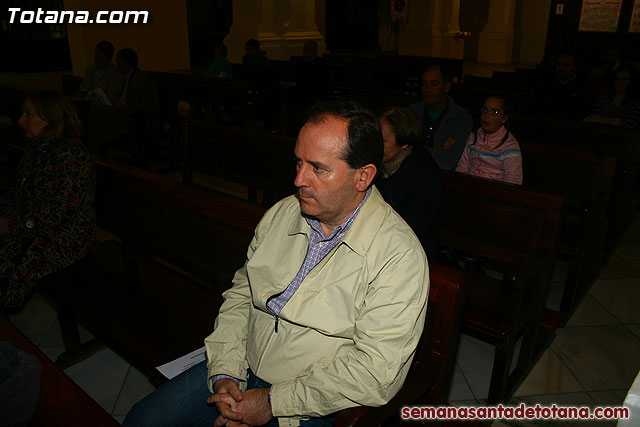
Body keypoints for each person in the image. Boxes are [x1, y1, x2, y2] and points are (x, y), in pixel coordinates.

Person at [123, 100, 429, 426]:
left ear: (363, 176)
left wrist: (272, 402)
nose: (299, 179)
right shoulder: (284, 213)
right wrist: (225, 372)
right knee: (142, 420)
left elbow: (373, 371)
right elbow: (242, 293)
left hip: (310, 395)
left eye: (318, 168)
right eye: (298, 162)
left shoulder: (398, 257)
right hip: (243, 363)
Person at [0, 90, 96, 309]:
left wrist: (10, 224)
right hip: (36, 223)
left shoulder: (72, 156)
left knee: (11, 256)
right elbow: (20, 194)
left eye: (28, 115)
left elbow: (61, 212)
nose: (21, 121)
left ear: (51, 119)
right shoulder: (36, 149)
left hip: (66, 234)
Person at [376, 106, 442, 259]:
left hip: (411, 248)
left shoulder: (424, 173)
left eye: (383, 141)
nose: (376, 145)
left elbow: (412, 225)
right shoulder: (374, 161)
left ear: (404, 143)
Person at [408, 64, 473, 170]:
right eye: (424, 84)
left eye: (434, 84)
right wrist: (439, 150)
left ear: (446, 87)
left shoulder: (461, 118)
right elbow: (399, 153)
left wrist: (415, 150)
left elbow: (448, 162)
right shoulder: (410, 113)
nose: (427, 89)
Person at [456, 96, 523, 185]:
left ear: (504, 118)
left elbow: (513, 180)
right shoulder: (473, 137)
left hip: (493, 192)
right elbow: (462, 167)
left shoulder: (509, 146)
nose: (487, 116)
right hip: (470, 187)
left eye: (494, 112)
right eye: (485, 110)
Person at [585, 65, 640, 130]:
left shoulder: (635, 102)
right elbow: (593, 117)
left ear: (631, 82)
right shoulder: (605, 97)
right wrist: (617, 122)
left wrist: (601, 120)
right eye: (617, 78)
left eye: (624, 80)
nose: (619, 82)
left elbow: (630, 125)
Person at [77, 40, 124, 106]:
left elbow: (111, 101)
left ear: (109, 59)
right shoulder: (91, 69)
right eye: (96, 55)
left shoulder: (115, 75)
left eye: (102, 57)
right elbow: (82, 89)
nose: (97, 59)